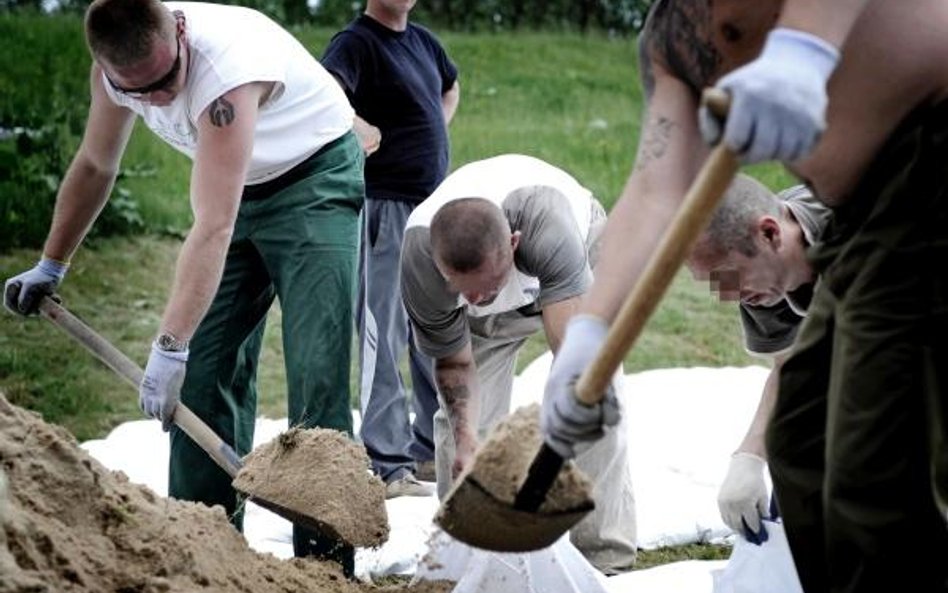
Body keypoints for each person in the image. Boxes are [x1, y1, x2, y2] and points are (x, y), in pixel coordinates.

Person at [541, 1, 948, 591]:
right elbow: (657, 185)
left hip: (929, 159)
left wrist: (802, 48)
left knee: (870, 464)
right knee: (801, 440)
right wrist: (588, 333)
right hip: (862, 218)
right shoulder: (673, 39)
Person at [2, 0, 364, 576]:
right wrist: (52, 264)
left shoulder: (224, 74)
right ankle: (206, 552)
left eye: (167, 81)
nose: (158, 100)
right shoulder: (117, 76)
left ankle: (323, 571)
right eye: (138, 92)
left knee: (317, 373)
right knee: (202, 376)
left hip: (312, 177)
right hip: (233, 189)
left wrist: (168, 344)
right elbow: (97, 164)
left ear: (179, 30)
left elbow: (214, 225)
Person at [400, 154, 637, 574]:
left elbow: (575, 359)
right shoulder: (421, 259)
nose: (474, 300)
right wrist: (469, 437)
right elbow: (455, 365)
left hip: (577, 256)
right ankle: (462, 558)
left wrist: (549, 452)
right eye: (462, 290)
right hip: (494, 299)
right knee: (461, 438)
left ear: (513, 243)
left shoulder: (547, 225)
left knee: (598, 397)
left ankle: (602, 559)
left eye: (485, 287)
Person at [321, 0, 460, 499]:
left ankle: (426, 450)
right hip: (384, 208)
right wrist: (359, 129)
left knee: (435, 327)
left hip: (430, 211)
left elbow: (450, 84)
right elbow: (326, 93)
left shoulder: (423, 41)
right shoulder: (355, 43)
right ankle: (386, 461)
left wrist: (437, 126)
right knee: (383, 330)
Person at [686, 175, 830, 540]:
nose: (728, 296)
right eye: (713, 283)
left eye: (729, 278)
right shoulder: (765, 280)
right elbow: (792, 369)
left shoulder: (865, 231)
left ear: (770, 234)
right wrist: (750, 458)